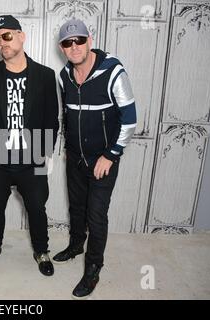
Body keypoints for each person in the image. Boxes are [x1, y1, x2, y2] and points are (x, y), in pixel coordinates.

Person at [55, 18, 137, 298]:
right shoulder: (64, 75)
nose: (74, 46)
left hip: (103, 159)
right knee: (76, 208)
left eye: (79, 40)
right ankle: (76, 245)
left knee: (96, 215)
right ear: (62, 48)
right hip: (76, 157)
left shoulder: (113, 70)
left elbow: (130, 119)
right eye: (68, 43)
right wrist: (68, 146)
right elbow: (67, 115)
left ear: (90, 39)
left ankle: (93, 269)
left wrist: (111, 155)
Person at [0, 15, 59, 276]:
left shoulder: (45, 75)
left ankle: (41, 250)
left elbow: (51, 118)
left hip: (31, 160)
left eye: (7, 36)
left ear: (21, 36)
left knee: (37, 207)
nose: (2, 43)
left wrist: (45, 151)